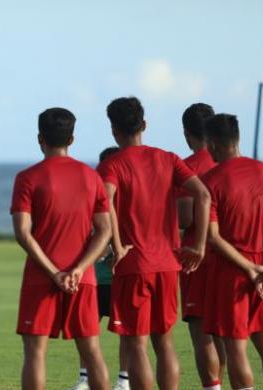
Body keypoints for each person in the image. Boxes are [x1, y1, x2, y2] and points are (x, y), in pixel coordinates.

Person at [96, 97, 211, 390]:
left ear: (113, 130)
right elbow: (204, 195)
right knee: (165, 342)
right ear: (144, 124)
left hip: (134, 264)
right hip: (167, 265)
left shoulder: (112, 165)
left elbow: (105, 198)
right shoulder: (169, 158)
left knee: (136, 344)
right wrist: (198, 245)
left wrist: (118, 245)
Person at [12, 108, 111, 390]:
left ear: (40, 138)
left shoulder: (28, 178)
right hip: (84, 278)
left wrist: (55, 272)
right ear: (72, 138)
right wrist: (79, 269)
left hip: (40, 277)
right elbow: (104, 230)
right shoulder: (92, 177)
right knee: (92, 352)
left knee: (35, 353)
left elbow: (22, 232)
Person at [201, 114, 263, 390]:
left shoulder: (211, 181)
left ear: (213, 144)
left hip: (232, 274)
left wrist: (250, 269)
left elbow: (212, 237)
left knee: (236, 346)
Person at [69, 146, 130, 390]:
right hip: (94, 277)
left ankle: (124, 380)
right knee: (86, 328)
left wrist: (114, 249)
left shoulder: (128, 203)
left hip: (120, 277)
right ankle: (85, 377)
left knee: (126, 331)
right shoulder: (92, 198)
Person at [176, 103, 225, 390]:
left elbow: (184, 218)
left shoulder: (187, 168)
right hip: (233, 256)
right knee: (227, 332)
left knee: (201, 331)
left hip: (197, 256)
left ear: (186, 133)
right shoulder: (230, 163)